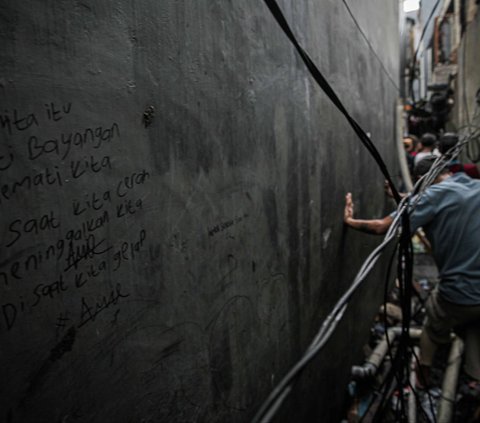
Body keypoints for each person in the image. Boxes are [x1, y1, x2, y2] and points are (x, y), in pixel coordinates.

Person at [344, 156, 480, 387]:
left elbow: (382, 227)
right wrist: (402, 197)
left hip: (458, 295)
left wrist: (349, 220)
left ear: (419, 180)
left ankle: (422, 379)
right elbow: (442, 201)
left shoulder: (430, 196)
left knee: (433, 326)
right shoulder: (473, 186)